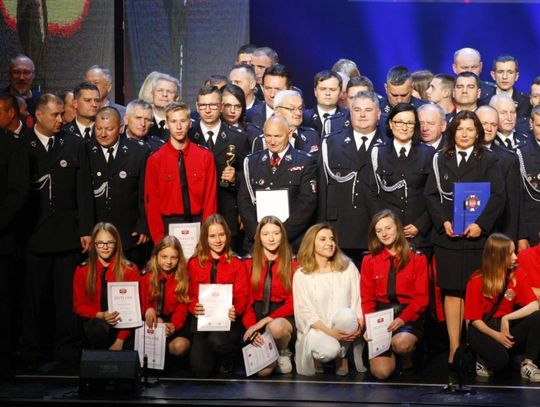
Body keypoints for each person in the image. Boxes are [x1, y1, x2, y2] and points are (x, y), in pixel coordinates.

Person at [424, 110, 505, 375]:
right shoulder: (439, 159)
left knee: (473, 292)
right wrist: (443, 222)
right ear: (452, 132)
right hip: (448, 238)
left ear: (478, 133)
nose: (465, 134)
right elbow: (431, 196)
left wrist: (480, 225)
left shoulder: (489, 159)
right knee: (451, 290)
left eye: (470, 129)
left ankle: (474, 347)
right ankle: (454, 347)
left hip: (476, 238)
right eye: (460, 129)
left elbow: (498, 197)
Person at [21, 94, 94, 369]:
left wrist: (85, 229)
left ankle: (68, 352)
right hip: (34, 236)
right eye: (55, 115)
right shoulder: (23, 146)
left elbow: (84, 191)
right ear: (38, 115)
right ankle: (32, 352)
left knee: (66, 299)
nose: (61, 120)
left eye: (63, 114)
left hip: (67, 235)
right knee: (34, 300)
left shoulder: (73, 143)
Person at [319, 91, 387, 265]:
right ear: (350, 113)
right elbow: (322, 189)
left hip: (374, 229)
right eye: (357, 109)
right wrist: (321, 228)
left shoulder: (388, 144)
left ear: (378, 114)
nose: (362, 115)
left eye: (368, 110)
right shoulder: (331, 143)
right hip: (339, 229)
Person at [361, 210, 428, 379]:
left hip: (407, 315)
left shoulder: (417, 258)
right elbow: (367, 299)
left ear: (397, 228)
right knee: (381, 373)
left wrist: (402, 319)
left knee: (401, 344)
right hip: (381, 316)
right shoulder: (369, 260)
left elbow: (421, 299)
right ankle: (389, 353)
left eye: (388, 228)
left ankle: (408, 356)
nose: (384, 234)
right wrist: (370, 326)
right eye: (379, 230)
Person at [465, 233, 540, 381]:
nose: (515, 257)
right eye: (510, 253)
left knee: (537, 317)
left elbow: (534, 306)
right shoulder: (477, 280)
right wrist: (497, 336)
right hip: (483, 330)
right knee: (501, 362)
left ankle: (528, 363)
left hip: (504, 326)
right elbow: (474, 320)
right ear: (497, 256)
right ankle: (482, 357)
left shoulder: (516, 274)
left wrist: (507, 317)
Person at [293, 223, 364, 376]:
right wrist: (330, 333)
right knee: (329, 350)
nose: (329, 243)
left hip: (342, 326)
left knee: (347, 315)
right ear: (311, 243)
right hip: (318, 329)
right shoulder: (302, 275)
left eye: (331, 239)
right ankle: (319, 357)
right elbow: (304, 312)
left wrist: (360, 323)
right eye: (323, 239)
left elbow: (358, 299)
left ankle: (342, 356)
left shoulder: (347, 267)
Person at [238, 115, 318, 252]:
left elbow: (307, 204)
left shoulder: (304, 162)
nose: (272, 141)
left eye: (277, 136)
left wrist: (280, 234)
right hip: (257, 242)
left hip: (292, 242)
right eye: (268, 136)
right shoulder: (251, 162)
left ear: (290, 134)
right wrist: (259, 234)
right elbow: (244, 201)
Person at [366, 104, 435, 256]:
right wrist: (386, 226)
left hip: (419, 236)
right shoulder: (378, 153)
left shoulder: (429, 154)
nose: (404, 127)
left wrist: (420, 225)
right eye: (399, 122)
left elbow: (434, 196)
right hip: (387, 235)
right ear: (391, 124)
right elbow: (371, 194)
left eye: (409, 123)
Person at [144, 101, 217, 244]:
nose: (178, 127)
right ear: (167, 124)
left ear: (190, 123)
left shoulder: (205, 157)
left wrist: (207, 233)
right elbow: (152, 203)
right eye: (173, 121)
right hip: (168, 225)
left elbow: (210, 200)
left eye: (182, 121)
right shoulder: (155, 160)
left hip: (199, 223)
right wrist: (159, 239)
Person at [189, 85, 250, 252]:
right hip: (196, 212)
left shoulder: (238, 138)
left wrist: (235, 178)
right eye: (203, 105)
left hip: (227, 211)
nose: (208, 110)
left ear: (221, 106)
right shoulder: (188, 136)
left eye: (213, 105)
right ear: (197, 107)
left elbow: (248, 177)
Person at [87, 107, 150, 267]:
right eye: (99, 128)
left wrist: (143, 225)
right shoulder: (85, 151)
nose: (103, 134)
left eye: (109, 129)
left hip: (129, 233)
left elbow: (145, 193)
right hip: (96, 234)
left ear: (121, 127)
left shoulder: (139, 152)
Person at [188, 214, 249, 378]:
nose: (218, 240)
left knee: (218, 342)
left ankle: (227, 357)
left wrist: (236, 308)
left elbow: (243, 294)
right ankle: (210, 358)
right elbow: (188, 294)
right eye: (212, 236)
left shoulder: (236, 262)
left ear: (227, 235)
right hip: (202, 322)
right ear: (205, 238)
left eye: (221, 235)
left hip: (227, 323)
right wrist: (194, 306)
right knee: (200, 370)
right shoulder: (194, 263)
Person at [242, 216, 297, 376]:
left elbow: (294, 302)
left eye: (276, 233)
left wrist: (266, 321)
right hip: (255, 316)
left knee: (276, 328)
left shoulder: (294, 263)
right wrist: (252, 329)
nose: (271, 238)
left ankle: (283, 350)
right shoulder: (248, 263)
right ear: (258, 237)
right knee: (263, 373)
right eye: (265, 234)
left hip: (282, 317)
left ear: (283, 235)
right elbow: (246, 302)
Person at [73, 222, 140, 351]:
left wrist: (120, 341)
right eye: (100, 243)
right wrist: (101, 315)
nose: (105, 247)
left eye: (109, 242)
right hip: (96, 324)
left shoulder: (129, 270)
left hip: (125, 328)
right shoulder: (82, 270)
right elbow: (79, 306)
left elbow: (134, 310)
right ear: (94, 244)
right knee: (96, 328)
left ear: (116, 244)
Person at [0, 120, 29, 378]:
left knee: (5, 302)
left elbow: (19, 192)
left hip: (4, 239)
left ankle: (6, 358)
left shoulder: (11, 145)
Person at [140, 236, 191, 362]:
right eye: (164, 257)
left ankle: (164, 356)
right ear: (156, 256)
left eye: (173, 257)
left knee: (180, 346)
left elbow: (182, 307)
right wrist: (148, 309)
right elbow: (140, 301)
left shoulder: (184, 277)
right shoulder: (145, 275)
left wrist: (174, 325)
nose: (168, 261)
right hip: (151, 319)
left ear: (179, 258)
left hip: (173, 322)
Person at [476, 105, 520, 242]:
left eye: (493, 124)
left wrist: (509, 241)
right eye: (484, 124)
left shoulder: (508, 159)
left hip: (496, 234)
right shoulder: (458, 154)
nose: (489, 129)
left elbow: (512, 206)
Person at [252, 89, 320, 158]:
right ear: (277, 111)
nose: (298, 113)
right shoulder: (264, 141)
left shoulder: (312, 135)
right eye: (291, 108)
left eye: (300, 108)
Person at [515, 105, 540, 250]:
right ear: (531, 124)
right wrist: (521, 236)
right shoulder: (520, 155)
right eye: (539, 125)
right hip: (531, 229)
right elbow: (517, 201)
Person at [246, 64, 291, 129]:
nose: (272, 94)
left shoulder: (301, 117)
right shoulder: (249, 116)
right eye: (268, 88)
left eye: (278, 89)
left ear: (289, 90)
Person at [303, 70, 345, 137]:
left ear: (340, 92)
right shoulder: (303, 118)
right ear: (315, 91)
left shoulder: (348, 118)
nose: (327, 93)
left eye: (332, 89)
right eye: (323, 89)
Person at [149, 73, 181, 141]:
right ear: (152, 95)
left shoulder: (185, 125)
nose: (165, 94)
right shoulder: (143, 122)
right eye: (160, 90)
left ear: (177, 98)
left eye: (169, 91)